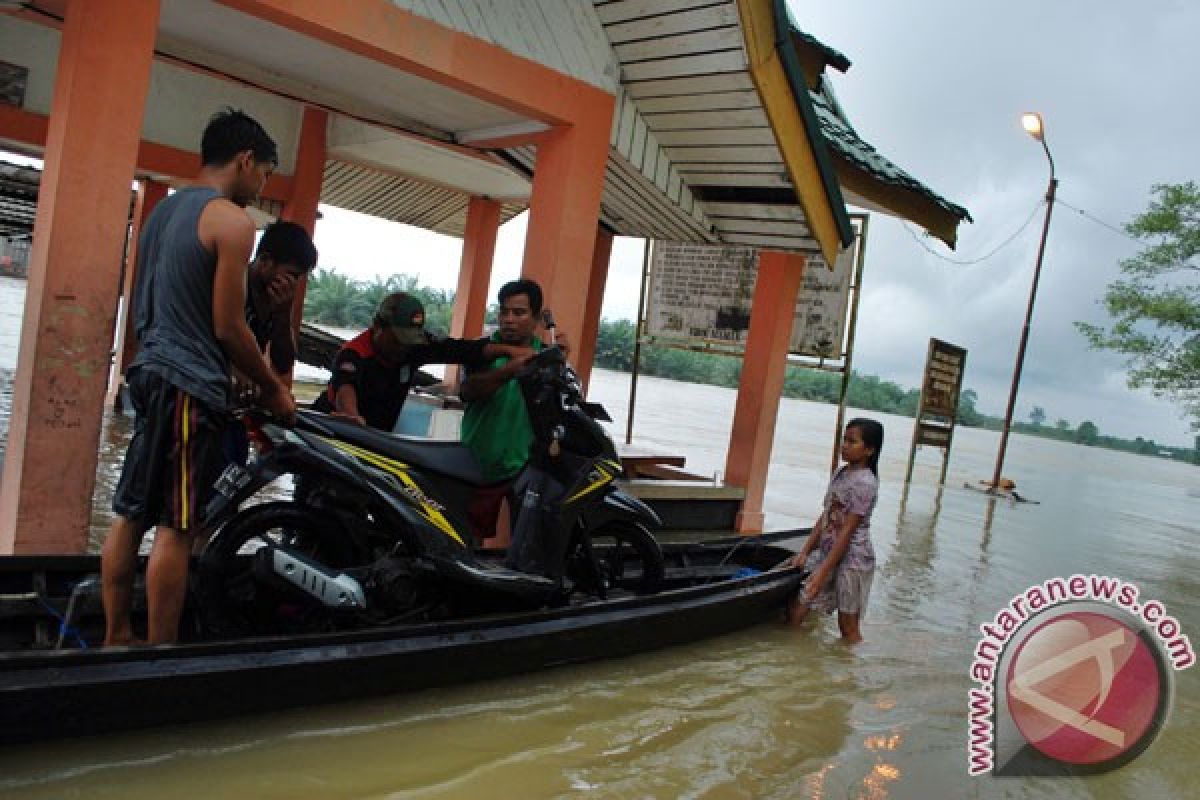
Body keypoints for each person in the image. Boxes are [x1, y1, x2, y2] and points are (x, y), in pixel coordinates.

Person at [101, 108, 297, 646]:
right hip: (191, 387)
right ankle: (161, 650)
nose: (261, 187)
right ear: (245, 159)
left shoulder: (160, 215)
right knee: (177, 526)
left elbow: (154, 304)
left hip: (148, 375)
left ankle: (116, 636)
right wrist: (274, 388)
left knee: (128, 512)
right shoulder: (233, 223)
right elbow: (229, 326)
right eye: (263, 175)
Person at [312, 291, 532, 431]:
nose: (404, 347)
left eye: (410, 340)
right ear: (378, 327)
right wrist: (351, 415)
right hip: (335, 431)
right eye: (399, 340)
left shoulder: (415, 346)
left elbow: (464, 350)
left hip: (376, 440)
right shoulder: (354, 354)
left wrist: (510, 351)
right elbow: (344, 388)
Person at [459, 279, 548, 541]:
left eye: (519, 313)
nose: (509, 320)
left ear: (536, 318)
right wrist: (507, 372)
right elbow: (468, 391)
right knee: (467, 539)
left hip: (525, 467)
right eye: (504, 312)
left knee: (526, 541)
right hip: (477, 462)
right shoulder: (481, 350)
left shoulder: (546, 356)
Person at [783, 418, 884, 643]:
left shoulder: (866, 483)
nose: (844, 445)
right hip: (829, 552)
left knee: (847, 629)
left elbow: (847, 532)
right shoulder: (841, 473)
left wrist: (821, 572)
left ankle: (850, 673)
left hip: (853, 559)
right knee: (797, 609)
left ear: (869, 450)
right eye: (844, 440)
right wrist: (805, 551)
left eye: (852, 441)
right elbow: (826, 516)